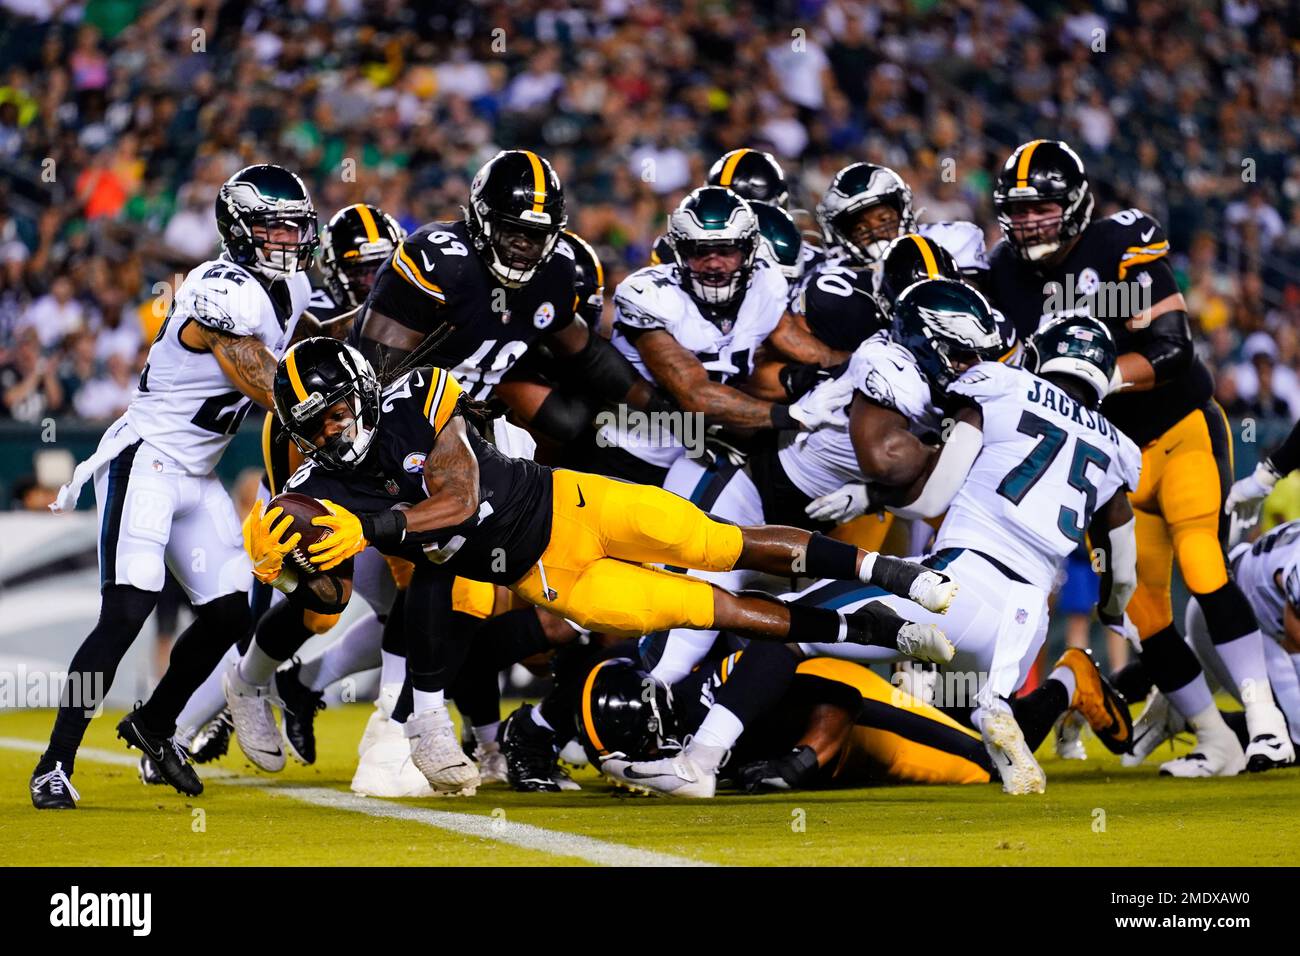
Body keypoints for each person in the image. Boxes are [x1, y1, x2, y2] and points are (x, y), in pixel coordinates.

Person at [239, 336, 959, 796]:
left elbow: (456, 498)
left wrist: (367, 527)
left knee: (720, 546)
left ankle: (890, 574)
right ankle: (875, 627)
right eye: (315, 425)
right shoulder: (316, 492)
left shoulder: (419, 402)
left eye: (337, 413)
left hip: (572, 505)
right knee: (709, 608)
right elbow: (327, 592)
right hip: (552, 579)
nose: (331, 431)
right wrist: (292, 570)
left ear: (363, 396)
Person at [985, 138, 1290, 774]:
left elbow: (1173, 346)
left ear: (1073, 205)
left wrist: (1097, 374)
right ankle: (1217, 739)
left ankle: (1267, 724)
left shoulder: (1118, 243)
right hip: (1112, 461)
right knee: (1138, 606)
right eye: (1018, 210)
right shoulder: (1004, 275)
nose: (1028, 222)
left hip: (1178, 428)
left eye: (1041, 207)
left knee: (1203, 566)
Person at [30, 164, 319, 809]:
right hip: (148, 459)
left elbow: (321, 344)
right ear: (240, 231)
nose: (289, 241)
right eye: (275, 229)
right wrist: (323, 399)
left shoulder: (291, 287)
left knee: (228, 611)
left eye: (295, 227)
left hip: (199, 471)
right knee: (128, 611)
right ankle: (54, 762)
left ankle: (156, 725)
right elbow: (265, 380)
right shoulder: (218, 287)